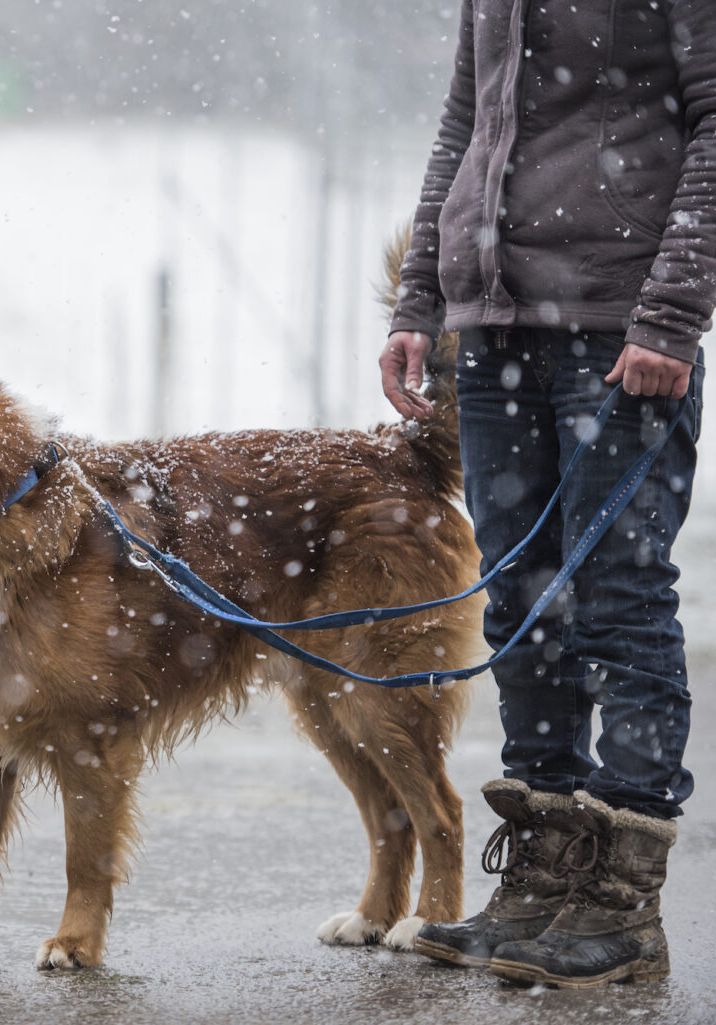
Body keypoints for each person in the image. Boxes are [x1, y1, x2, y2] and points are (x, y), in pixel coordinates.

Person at [380, 0, 714, 988]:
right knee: (523, 598)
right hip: (494, 330)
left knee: (617, 595)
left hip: (620, 329)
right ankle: (542, 870)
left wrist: (670, 313)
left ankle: (622, 899)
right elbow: (462, 124)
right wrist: (421, 300)